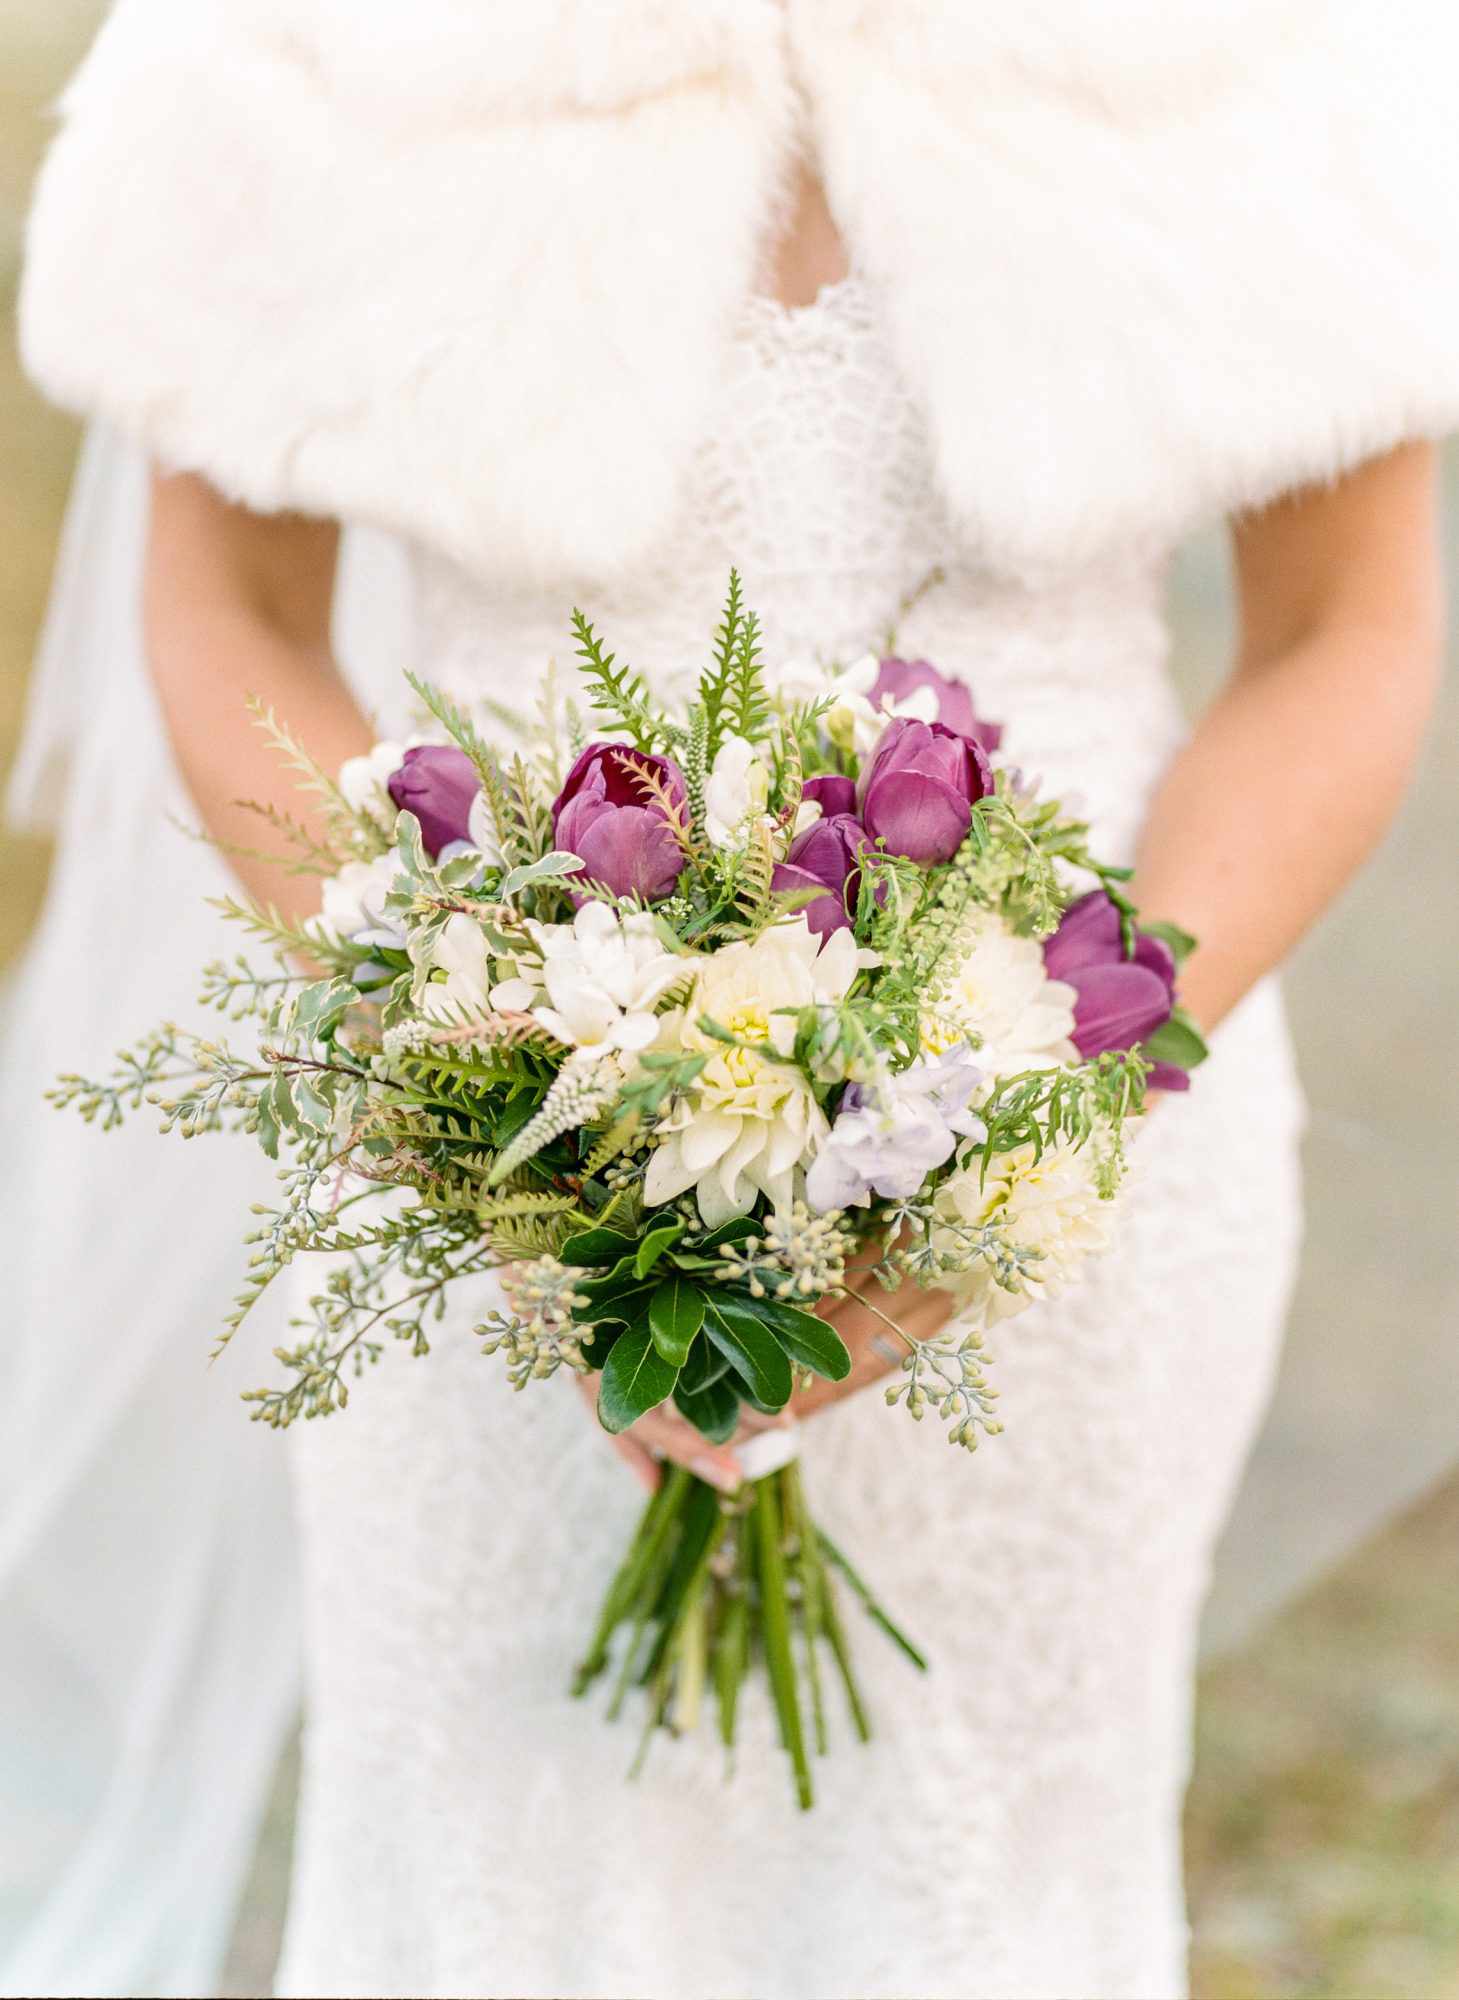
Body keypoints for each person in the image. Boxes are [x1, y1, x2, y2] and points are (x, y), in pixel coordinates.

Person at [9, 6, 1454, 1995]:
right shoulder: (296, 39)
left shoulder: (1256, 41)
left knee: (983, 1875)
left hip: (1090, 1164)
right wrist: (487, 1103)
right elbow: (231, 612)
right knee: (499, 1866)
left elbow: (1344, 632)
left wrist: (1032, 1114)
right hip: (483, 1193)